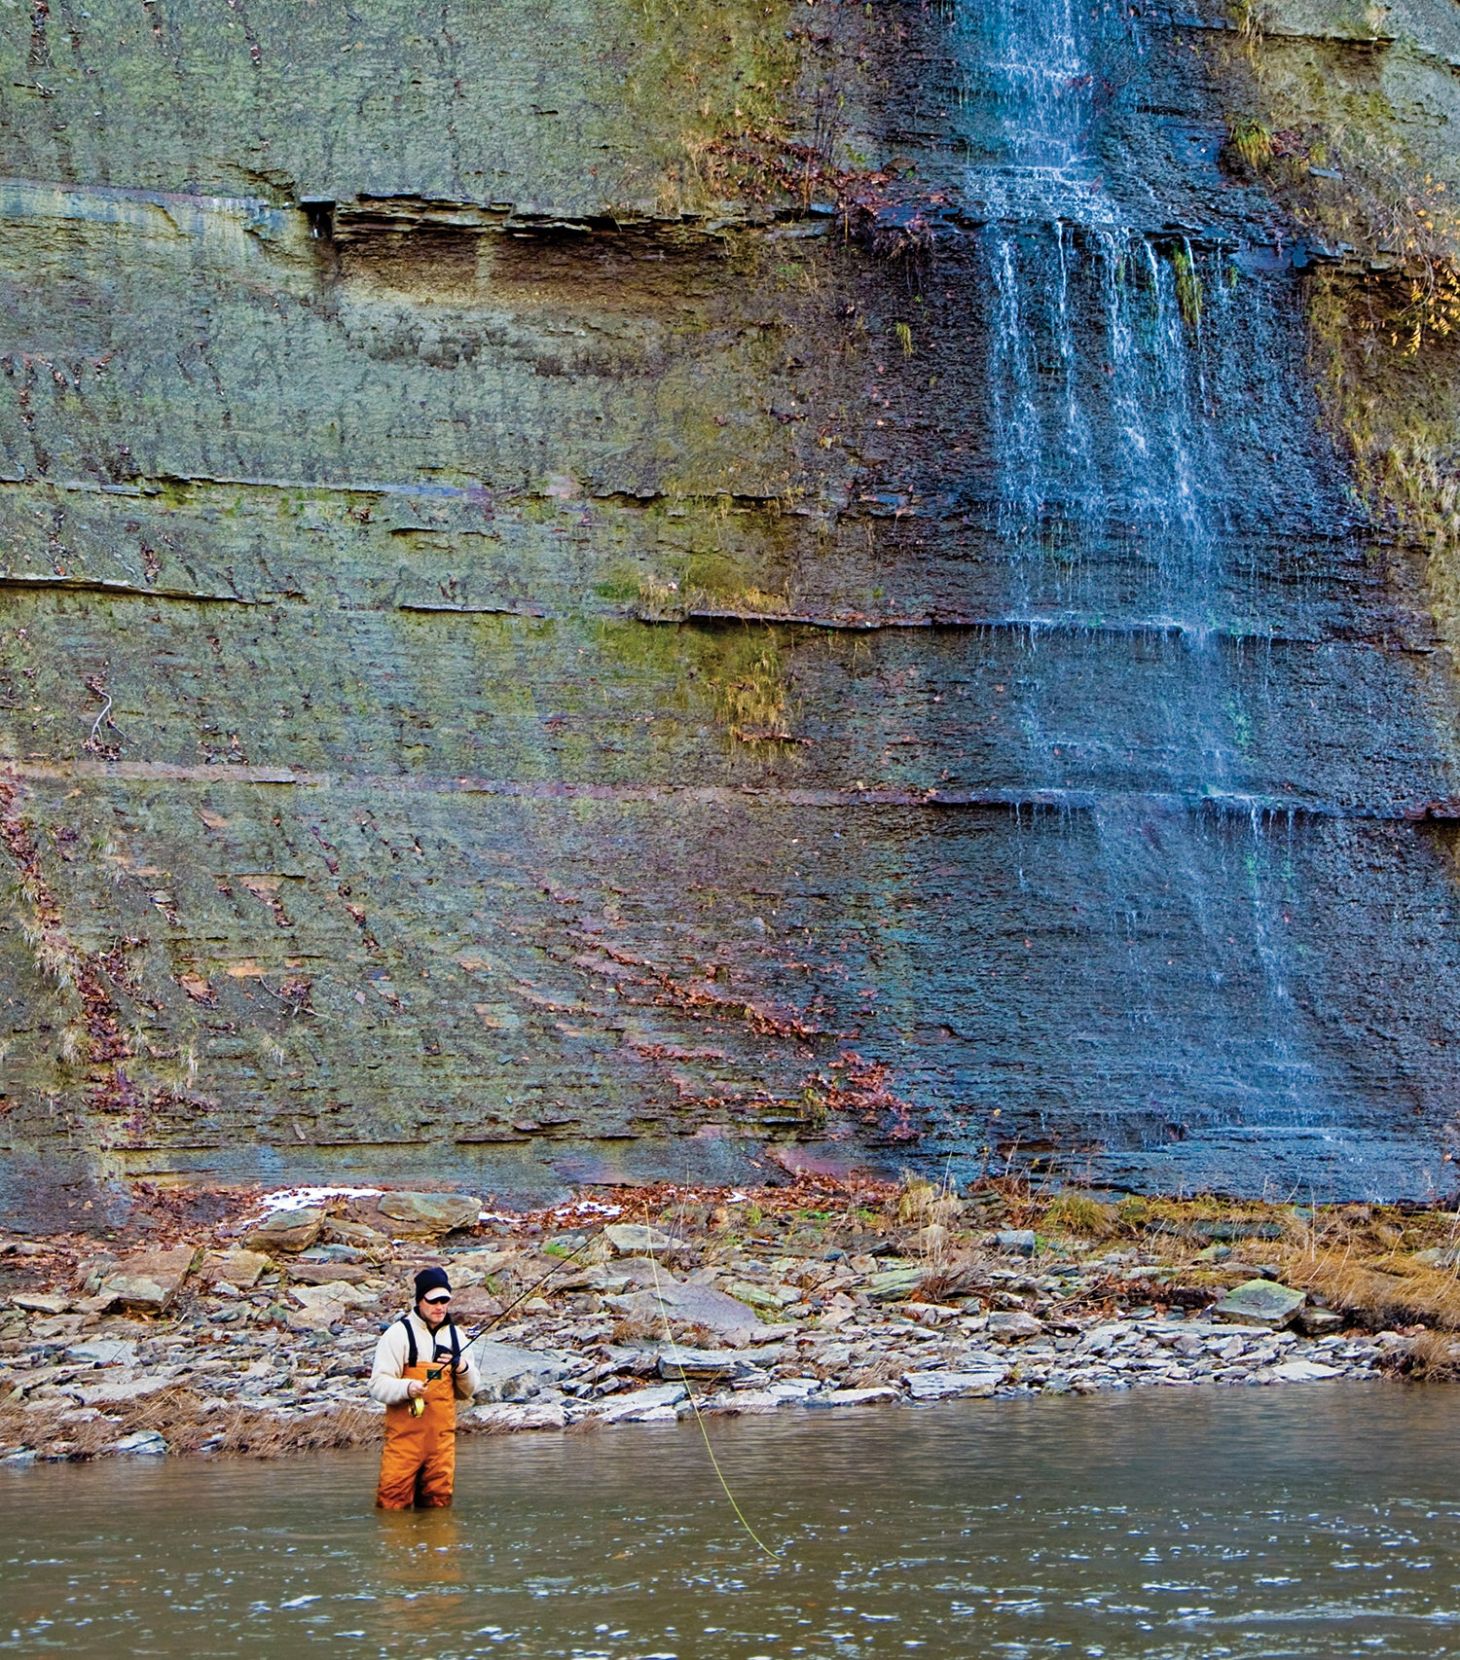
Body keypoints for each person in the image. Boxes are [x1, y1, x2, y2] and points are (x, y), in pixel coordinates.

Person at [370, 1265, 481, 1509]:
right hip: (404, 1444)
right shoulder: (398, 1335)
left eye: (444, 1300)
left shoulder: (457, 1337)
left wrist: (461, 1368)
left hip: (442, 1445)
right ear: (420, 1300)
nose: (440, 1306)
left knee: (439, 1506)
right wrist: (407, 1388)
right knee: (392, 1505)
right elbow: (377, 1386)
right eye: (433, 1301)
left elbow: (468, 1391)